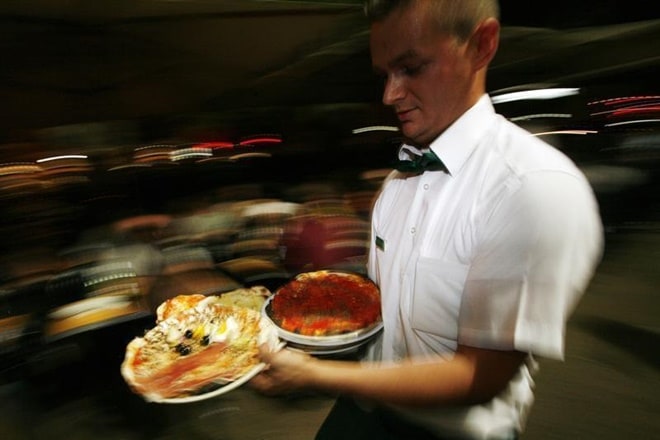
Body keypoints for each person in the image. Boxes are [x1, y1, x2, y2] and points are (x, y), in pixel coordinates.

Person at [250, 1, 604, 439]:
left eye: (411, 68)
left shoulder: (533, 187)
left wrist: (310, 376)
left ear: (482, 45)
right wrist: (298, 323)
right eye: (385, 74)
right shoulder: (397, 183)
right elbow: (381, 314)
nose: (389, 95)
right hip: (367, 407)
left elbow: (480, 376)